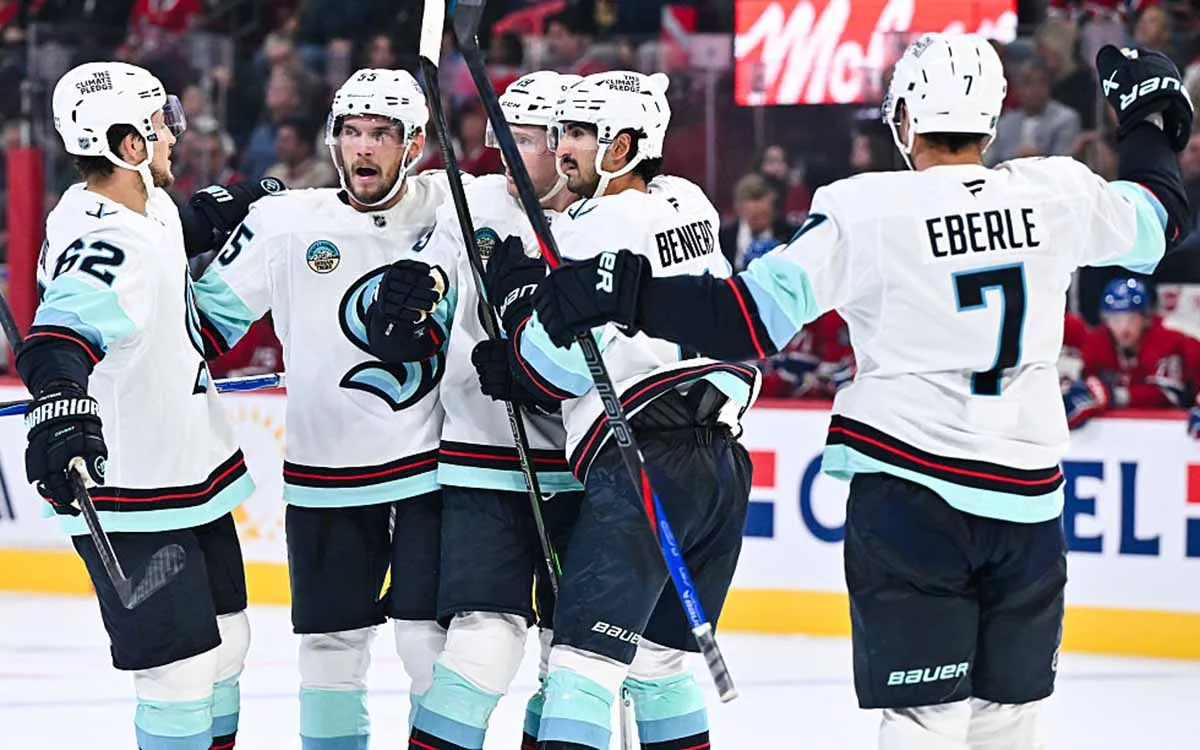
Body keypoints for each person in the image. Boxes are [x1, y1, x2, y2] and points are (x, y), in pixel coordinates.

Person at [528, 36, 1191, 749]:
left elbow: (745, 320)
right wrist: (1147, 123)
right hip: (1028, 499)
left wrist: (626, 295)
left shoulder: (867, 209)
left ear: (904, 118)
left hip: (912, 493)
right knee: (1008, 718)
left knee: (921, 718)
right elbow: (1161, 217)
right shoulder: (1056, 190)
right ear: (991, 118)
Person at [485, 70, 758, 750]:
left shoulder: (588, 227)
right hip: (722, 463)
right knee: (660, 670)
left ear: (624, 146)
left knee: (581, 672)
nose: (562, 148)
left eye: (580, 133)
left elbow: (550, 373)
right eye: (561, 132)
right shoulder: (688, 200)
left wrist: (517, 320)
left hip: (644, 463)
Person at [192, 68, 457, 749]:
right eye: (351, 131)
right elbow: (201, 329)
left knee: (431, 645)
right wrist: (157, 248)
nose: (363, 147)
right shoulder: (283, 222)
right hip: (325, 473)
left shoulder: (455, 205)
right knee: (330, 650)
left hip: (434, 472)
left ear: (416, 143)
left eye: (382, 134)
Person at [21, 61, 268, 750]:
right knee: (178, 675)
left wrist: (228, 208)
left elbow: (169, 229)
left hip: (187, 467)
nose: (173, 135)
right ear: (130, 145)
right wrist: (62, 402)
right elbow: (62, 331)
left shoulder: (139, 205)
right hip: (131, 488)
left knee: (227, 645)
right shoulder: (104, 241)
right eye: (162, 124)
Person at [388, 70, 587, 750]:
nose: (505, 154)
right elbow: (435, 277)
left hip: (584, 466)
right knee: (482, 639)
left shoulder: (603, 221)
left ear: (565, 144)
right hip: (481, 456)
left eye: (525, 140)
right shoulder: (472, 202)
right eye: (505, 138)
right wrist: (411, 301)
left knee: (574, 658)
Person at [1065, 278, 1200, 428]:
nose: (1124, 327)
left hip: (1167, 431)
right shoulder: (1098, 343)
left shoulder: (1169, 339)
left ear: (1145, 318)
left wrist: (1116, 395)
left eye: (1131, 318)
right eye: (1116, 319)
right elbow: (1088, 381)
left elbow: (1171, 394)